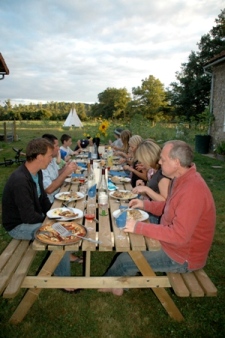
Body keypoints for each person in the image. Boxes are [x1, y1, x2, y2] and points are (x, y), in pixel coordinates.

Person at [99, 140, 216, 296]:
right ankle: (119, 284)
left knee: (126, 259)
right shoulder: (181, 179)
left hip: (183, 256)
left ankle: (106, 284)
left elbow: (179, 235)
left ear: (176, 162)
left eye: (163, 159)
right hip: (176, 245)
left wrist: (138, 227)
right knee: (133, 239)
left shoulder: (192, 190)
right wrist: (144, 205)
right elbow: (169, 207)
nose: (159, 162)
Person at [1, 138, 74, 287]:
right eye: (49, 155)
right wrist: (50, 222)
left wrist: (54, 213)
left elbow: (42, 199)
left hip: (31, 218)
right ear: (39, 157)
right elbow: (28, 217)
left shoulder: (36, 173)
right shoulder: (20, 180)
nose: (51, 158)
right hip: (18, 226)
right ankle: (63, 279)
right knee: (59, 233)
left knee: (63, 224)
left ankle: (64, 259)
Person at [132, 140, 171, 223]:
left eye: (142, 160)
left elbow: (164, 201)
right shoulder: (155, 171)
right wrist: (142, 189)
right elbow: (154, 194)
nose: (141, 162)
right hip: (151, 209)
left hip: (156, 217)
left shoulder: (162, 176)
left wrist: (146, 189)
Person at [42, 134, 77, 203]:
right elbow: (49, 189)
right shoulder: (42, 165)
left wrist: (66, 167)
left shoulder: (52, 159)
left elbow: (56, 173)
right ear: (49, 148)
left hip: (60, 193)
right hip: (52, 201)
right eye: (57, 146)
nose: (59, 148)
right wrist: (65, 173)